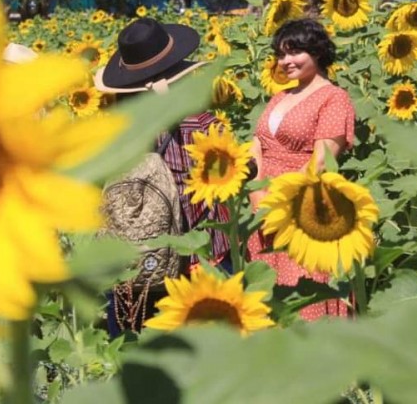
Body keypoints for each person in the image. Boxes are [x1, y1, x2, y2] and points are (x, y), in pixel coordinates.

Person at [94, 17, 231, 333]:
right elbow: (231, 179)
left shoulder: (116, 127)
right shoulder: (200, 123)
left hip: (135, 254)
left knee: (132, 344)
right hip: (198, 253)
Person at [247, 18, 356, 321]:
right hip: (262, 208)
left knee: (301, 295)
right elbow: (257, 145)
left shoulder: (334, 98)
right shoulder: (280, 96)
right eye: (281, 55)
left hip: (302, 210)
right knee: (266, 296)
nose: (285, 62)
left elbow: (321, 162)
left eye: (294, 52)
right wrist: (258, 196)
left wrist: (279, 206)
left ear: (317, 52)